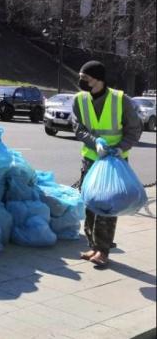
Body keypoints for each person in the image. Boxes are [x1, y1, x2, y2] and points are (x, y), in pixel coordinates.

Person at [73, 60, 142, 268]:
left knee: (107, 207)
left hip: (114, 161)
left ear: (99, 79)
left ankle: (103, 251)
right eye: (81, 77)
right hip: (91, 160)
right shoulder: (80, 100)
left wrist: (121, 147)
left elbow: (134, 129)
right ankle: (93, 246)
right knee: (90, 205)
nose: (81, 81)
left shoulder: (121, 100)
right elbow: (78, 127)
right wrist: (94, 143)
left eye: (86, 78)